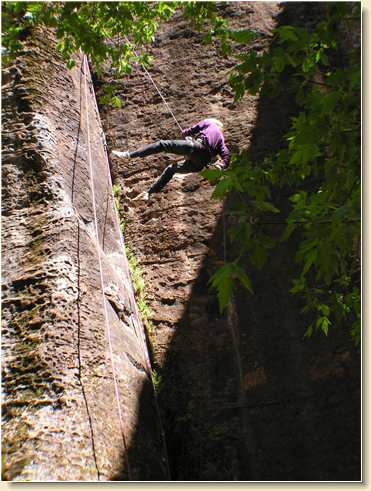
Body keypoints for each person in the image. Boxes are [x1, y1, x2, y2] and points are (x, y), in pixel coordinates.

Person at [112, 118, 230, 201]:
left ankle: (129, 155)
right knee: (171, 170)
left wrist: (185, 134)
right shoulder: (221, 139)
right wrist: (220, 166)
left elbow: (192, 129)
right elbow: (226, 155)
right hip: (201, 163)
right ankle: (148, 193)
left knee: (162, 144)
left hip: (196, 147)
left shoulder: (210, 123)